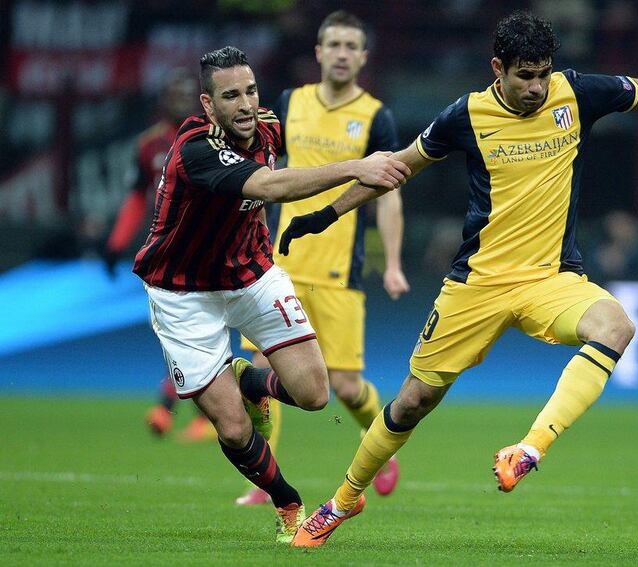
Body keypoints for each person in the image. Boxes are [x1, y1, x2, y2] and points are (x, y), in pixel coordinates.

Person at [277, 11, 638, 547]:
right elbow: (396, 168)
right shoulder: (465, 115)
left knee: (616, 327)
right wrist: (325, 215)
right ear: (497, 68)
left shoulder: (576, 95)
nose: (537, 87)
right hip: (477, 285)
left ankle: (528, 449)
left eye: (544, 73)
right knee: (411, 403)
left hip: (551, 279)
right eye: (525, 75)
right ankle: (343, 500)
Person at [132, 45, 410, 543]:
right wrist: (356, 166)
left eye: (250, 91)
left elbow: (278, 170)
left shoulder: (268, 127)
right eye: (230, 96)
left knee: (314, 393)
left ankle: (246, 378)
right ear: (208, 103)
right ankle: (288, 504)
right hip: (182, 292)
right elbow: (272, 186)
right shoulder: (196, 148)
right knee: (235, 429)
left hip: (250, 275)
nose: (244, 104)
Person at [235, 9, 409, 507]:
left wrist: (393, 262)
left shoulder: (377, 115)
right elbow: (263, 171)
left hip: (338, 271)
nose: (340, 53)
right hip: (278, 264)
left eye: (350, 46)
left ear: (363, 57)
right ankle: (265, 481)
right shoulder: (290, 103)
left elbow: (390, 191)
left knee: (348, 387)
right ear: (318, 52)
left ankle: (381, 446)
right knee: (262, 372)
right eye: (332, 44)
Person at [101, 69, 215, 441]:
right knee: (178, 333)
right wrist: (116, 243)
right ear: (162, 100)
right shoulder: (148, 145)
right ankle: (195, 410)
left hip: (211, 249)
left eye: (188, 93)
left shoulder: (214, 139)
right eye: (174, 93)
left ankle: (181, 408)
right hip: (166, 253)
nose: (181, 99)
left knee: (198, 331)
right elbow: (137, 197)